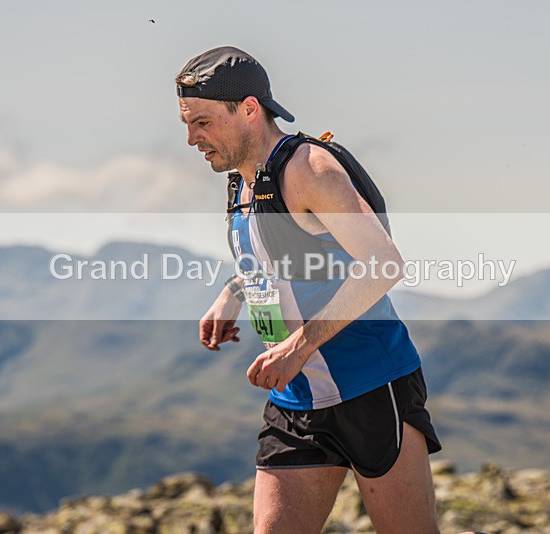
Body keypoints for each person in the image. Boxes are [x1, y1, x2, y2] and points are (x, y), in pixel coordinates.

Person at [176, 46, 442, 534]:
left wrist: (299, 345)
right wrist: (233, 292)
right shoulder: (240, 180)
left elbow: (383, 264)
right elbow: (284, 254)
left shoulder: (309, 169)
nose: (193, 138)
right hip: (296, 399)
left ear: (250, 110)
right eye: (188, 124)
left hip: (370, 385)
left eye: (204, 123)